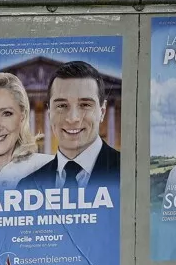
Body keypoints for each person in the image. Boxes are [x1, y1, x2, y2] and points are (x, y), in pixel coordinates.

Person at [17, 61, 120, 191]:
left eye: (85, 105)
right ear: (49, 113)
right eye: (62, 106)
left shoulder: (129, 172)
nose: (72, 119)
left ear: (102, 112)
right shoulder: (26, 186)